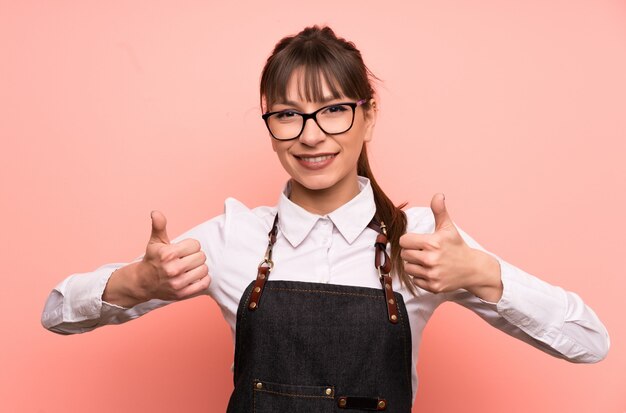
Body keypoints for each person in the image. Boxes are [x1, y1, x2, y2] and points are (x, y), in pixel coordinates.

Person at [41, 26, 609, 411]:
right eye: (288, 115)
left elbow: (590, 342)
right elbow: (56, 312)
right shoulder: (232, 239)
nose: (311, 135)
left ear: (368, 115)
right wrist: (134, 284)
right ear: (269, 126)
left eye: (334, 110)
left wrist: (484, 275)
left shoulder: (422, 245)